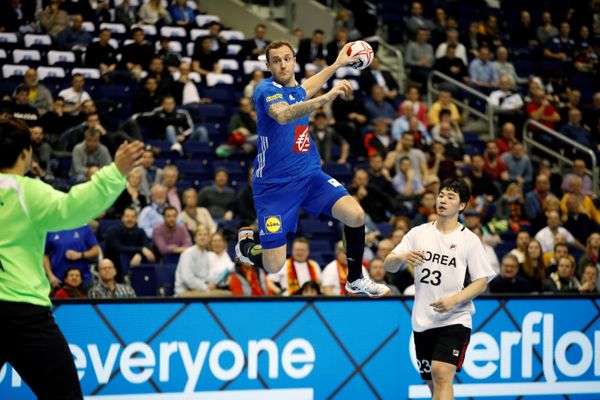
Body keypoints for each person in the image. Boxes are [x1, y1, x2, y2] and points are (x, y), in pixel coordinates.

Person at [0, 118, 143, 398]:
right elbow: (75, 207)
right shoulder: (27, 191)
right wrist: (115, 172)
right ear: (25, 153)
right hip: (23, 314)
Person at [234, 40, 388, 297]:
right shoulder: (265, 89)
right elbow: (284, 115)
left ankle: (355, 278)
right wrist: (327, 98)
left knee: (356, 215)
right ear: (268, 65)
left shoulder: (296, 88)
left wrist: (338, 64)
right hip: (274, 187)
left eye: (287, 58)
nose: (282, 64)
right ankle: (247, 246)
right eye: (276, 60)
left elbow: (307, 87)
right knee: (274, 265)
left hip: (309, 176)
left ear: (294, 60)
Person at [384, 178, 495, 399]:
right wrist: (403, 257)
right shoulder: (418, 233)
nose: (443, 200)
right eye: (441, 195)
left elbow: (481, 281)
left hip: (455, 318)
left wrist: (454, 300)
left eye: (450, 197)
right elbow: (389, 263)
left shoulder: (469, 239)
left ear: (462, 206)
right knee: (433, 384)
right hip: (423, 320)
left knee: (441, 373)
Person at [174, 226, 231, 296]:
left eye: (205, 235)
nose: (202, 237)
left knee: (228, 293)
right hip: (184, 291)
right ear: (195, 238)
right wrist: (206, 287)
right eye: (199, 235)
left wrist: (217, 282)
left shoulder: (205, 254)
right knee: (227, 295)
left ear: (208, 238)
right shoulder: (188, 253)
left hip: (199, 289)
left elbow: (205, 276)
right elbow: (187, 279)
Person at [44, 224, 100, 290]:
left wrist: (80, 255)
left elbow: (96, 250)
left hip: (83, 279)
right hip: (58, 279)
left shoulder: (83, 227)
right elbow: (45, 255)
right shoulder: (51, 229)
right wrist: (50, 275)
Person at [104, 207, 155, 279]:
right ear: (122, 218)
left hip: (136, 266)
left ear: (136, 219)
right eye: (127, 216)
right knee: (123, 256)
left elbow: (148, 249)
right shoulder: (113, 231)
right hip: (115, 267)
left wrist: (139, 254)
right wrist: (141, 250)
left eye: (132, 217)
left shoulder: (140, 231)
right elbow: (120, 248)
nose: (130, 219)